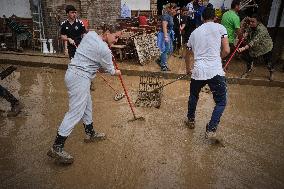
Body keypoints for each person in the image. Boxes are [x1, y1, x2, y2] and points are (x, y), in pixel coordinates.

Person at [47, 24, 122, 164]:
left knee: (87, 105)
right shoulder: (104, 50)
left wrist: (96, 64)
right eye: (116, 37)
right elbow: (111, 71)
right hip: (80, 78)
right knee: (75, 112)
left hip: (74, 74)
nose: (116, 40)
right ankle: (57, 147)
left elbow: (91, 56)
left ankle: (90, 132)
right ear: (107, 33)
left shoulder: (91, 34)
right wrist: (118, 72)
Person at [184, 7, 230, 140]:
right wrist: (218, 59)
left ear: (202, 18)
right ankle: (211, 129)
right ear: (215, 17)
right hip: (216, 71)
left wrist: (188, 69)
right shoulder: (221, 28)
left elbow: (188, 54)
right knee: (221, 102)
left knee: (193, 95)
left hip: (198, 71)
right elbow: (226, 50)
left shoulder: (194, 33)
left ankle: (191, 120)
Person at [237, 14, 274, 80]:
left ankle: (271, 72)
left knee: (268, 62)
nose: (251, 23)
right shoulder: (251, 26)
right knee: (249, 59)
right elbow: (248, 30)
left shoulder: (262, 30)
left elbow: (254, 41)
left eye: (253, 22)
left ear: (258, 22)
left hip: (265, 47)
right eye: (250, 21)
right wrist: (245, 34)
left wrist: (243, 48)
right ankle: (248, 71)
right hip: (254, 48)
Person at [157, 3, 178, 71]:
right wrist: (166, 37)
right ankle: (163, 66)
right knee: (165, 50)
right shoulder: (166, 16)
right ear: (170, 9)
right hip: (164, 34)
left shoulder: (170, 16)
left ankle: (160, 59)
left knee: (169, 50)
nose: (175, 10)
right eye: (174, 9)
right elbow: (164, 27)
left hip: (168, 33)